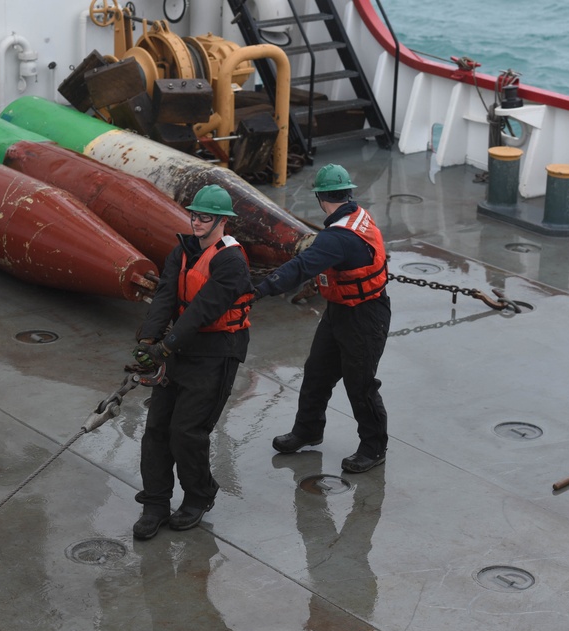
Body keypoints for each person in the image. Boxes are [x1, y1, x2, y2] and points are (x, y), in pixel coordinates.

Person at [130, 184, 254, 540]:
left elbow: (202, 311)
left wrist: (165, 347)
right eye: (194, 215)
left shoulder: (230, 261)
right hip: (183, 346)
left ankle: (199, 495)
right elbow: (166, 296)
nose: (197, 221)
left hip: (216, 352)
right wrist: (147, 341)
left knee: (187, 431)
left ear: (222, 221)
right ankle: (155, 502)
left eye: (205, 217)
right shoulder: (181, 251)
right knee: (157, 427)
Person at [253, 164, 391, 473]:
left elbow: (300, 267)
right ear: (347, 193)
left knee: (361, 384)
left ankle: (374, 447)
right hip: (341, 311)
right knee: (317, 372)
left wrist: (259, 290)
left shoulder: (337, 238)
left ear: (320, 198)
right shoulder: (356, 217)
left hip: (365, 317)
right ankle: (308, 430)